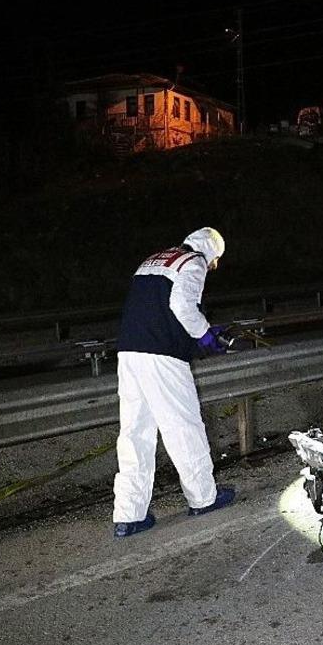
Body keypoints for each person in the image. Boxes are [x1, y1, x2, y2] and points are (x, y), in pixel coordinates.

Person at [112, 227, 236, 537]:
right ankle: (203, 498)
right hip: (162, 356)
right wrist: (206, 335)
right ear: (209, 252)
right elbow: (181, 307)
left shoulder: (153, 260)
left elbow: (151, 306)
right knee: (183, 425)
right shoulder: (191, 263)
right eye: (215, 260)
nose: (213, 267)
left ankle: (129, 515)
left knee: (135, 434)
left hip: (129, 353)